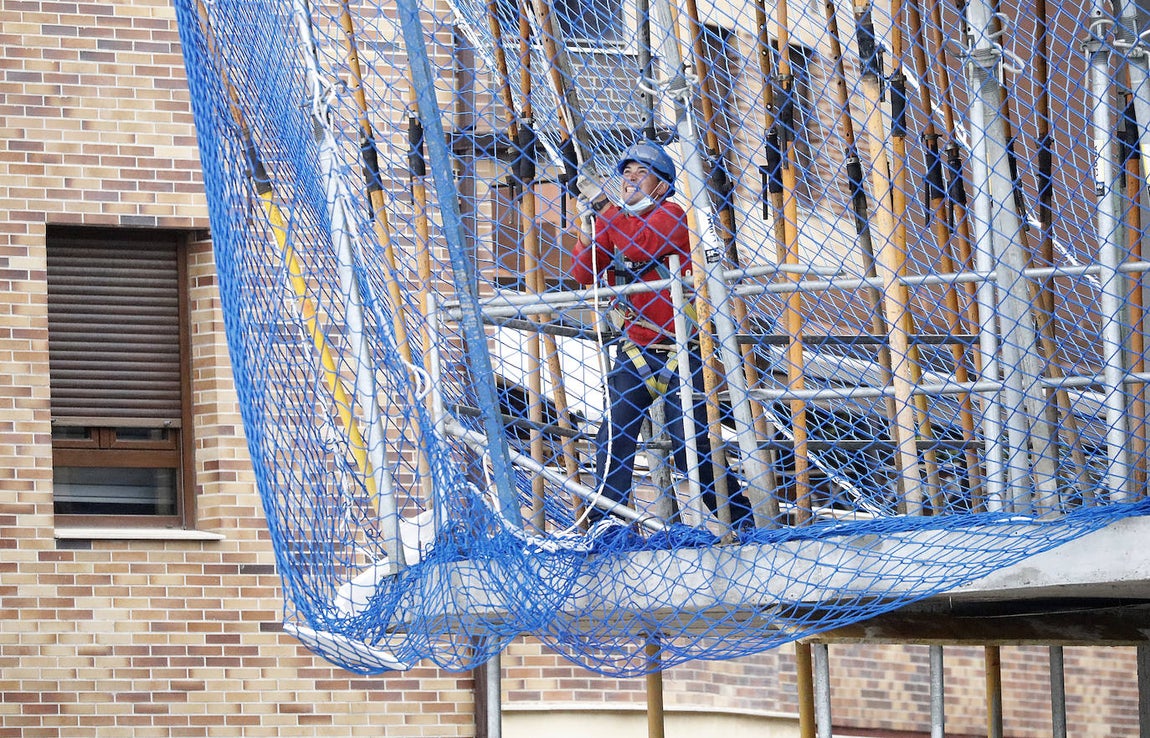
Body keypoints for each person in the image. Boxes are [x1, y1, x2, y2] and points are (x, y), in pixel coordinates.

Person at [571, 140, 755, 532]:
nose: (630, 181)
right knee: (614, 438)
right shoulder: (615, 223)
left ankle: (740, 521)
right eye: (626, 174)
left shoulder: (673, 216)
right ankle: (609, 526)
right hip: (635, 349)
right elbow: (584, 274)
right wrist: (587, 234)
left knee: (691, 449)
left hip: (680, 352)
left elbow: (644, 243)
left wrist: (605, 210)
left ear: (661, 185)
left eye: (641, 175)